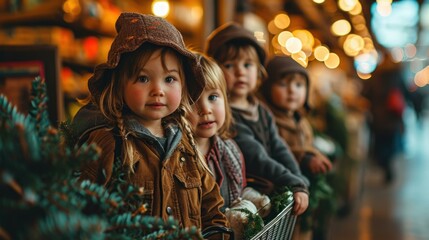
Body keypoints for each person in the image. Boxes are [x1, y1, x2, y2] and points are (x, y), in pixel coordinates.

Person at [71, 12, 228, 230]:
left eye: (169, 79)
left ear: (183, 86)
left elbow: (211, 212)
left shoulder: (186, 146)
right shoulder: (107, 143)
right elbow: (78, 212)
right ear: (120, 85)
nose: (158, 90)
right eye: (143, 78)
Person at [205, 22, 309, 215]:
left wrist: (299, 179)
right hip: (248, 198)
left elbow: (279, 147)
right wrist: (293, 181)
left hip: (272, 187)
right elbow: (257, 157)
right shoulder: (224, 114)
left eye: (247, 65)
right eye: (229, 65)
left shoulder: (260, 108)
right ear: (214, 72)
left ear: (259, 70)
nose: (240, 72)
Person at [259, 55, 334, 240]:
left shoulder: (300, 120)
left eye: (299, 85)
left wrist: (315, 153)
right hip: (281, 195)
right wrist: (306, 158)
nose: (292, 91)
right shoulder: (268, 120)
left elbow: (307, 144)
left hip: (304, 191)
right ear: (268, 87)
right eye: (284, 85)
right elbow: (273, 152)